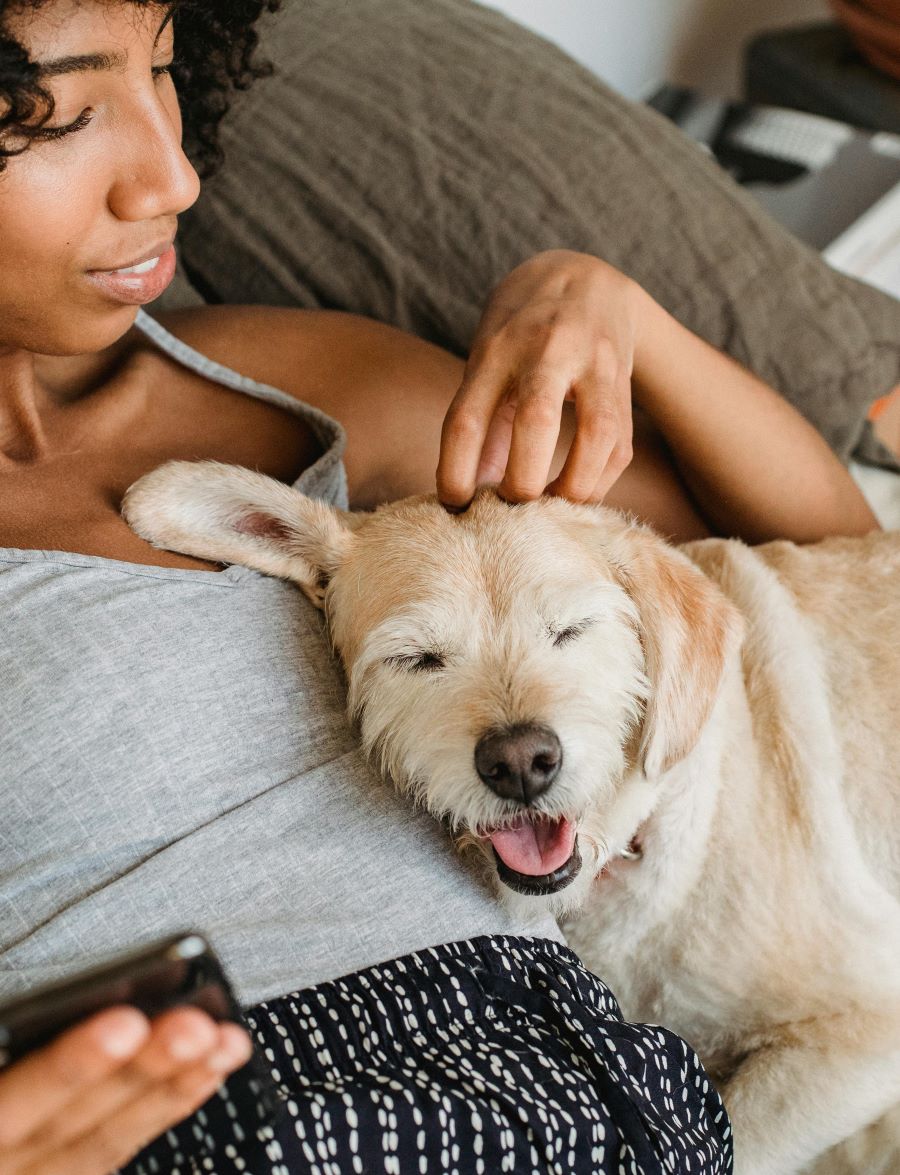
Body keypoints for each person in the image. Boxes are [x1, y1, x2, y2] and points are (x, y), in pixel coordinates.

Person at [0, 1, 879, 1173]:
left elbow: (825, 547)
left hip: (565, 1080)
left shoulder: (294, 384)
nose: (169, 178)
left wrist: (622, 312)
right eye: (57, 115)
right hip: (193, 1113)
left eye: (163, 75)